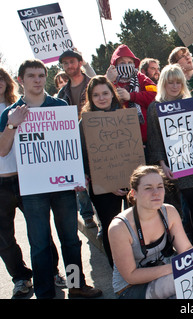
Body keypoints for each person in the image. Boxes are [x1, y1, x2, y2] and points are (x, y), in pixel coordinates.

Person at [0, 59, 102, 299]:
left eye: (40, 75)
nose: (37, 80)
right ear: (20, 80)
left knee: (70, 239)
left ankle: (77, 285)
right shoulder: (10, 113)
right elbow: (3, 150)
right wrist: (12, 126)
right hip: (33, 189)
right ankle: (45, 292)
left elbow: (71, 146)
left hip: (63, 186)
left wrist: (78, 175)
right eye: (31, 76)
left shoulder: (59, 105)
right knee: (40, 243)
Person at [147, 64, 193, 245]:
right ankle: (189, 244)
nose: (175, 86)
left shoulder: (191, 105)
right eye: (170, 83)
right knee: (183, 209)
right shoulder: (155, 107)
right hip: (173, 166)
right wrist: (162, 165)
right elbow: (154, 139)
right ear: (163, 84)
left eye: (178, 82)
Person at [108, 165, 193, 299]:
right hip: (130, 288)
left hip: (166, 274)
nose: (156, 192)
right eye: (148, 188)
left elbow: (186, 250)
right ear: (134, 193)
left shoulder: (169, 212)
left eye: (160, 186)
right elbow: (131, 276)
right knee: (183, 282)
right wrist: (173, 268)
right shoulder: (119, 227)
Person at [79, 76, 128, 267]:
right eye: (96, 95)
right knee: (111, 230)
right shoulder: (85, 123)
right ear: (90, 98)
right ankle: (118, 270)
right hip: (103, 188)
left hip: (128, 184)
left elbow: (132, 152)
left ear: (112, 94)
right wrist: (110, 183)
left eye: (105, 93)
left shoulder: (125, 117)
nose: (101, 98)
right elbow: (84, 159)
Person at [0, 67, 33, 297]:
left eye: (1, 78)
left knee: (39, 230)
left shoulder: (21, 106)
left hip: (26, 178)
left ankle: (52, 272)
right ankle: (21, 278)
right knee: (4, 237)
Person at [57, 49, 97, 229]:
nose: (69, 66)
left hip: (96, 138)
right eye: (65, 63)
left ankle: (103, 217)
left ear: (80, 63)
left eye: (72, 61)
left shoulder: (93, 85)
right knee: (79, 179)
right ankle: (87, 214)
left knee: (98, 180)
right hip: (73, 141)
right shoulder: (61, 94)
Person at [106, 44, 157, 152]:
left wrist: (131, 96)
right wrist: (110, 82)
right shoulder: (109, 80)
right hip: (119, 139)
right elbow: (101, 99)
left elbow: (155, 95)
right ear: (114, 64)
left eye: (129, 63)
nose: (126, 65)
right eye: (122, 63)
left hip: (145, 137)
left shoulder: (141, 78)